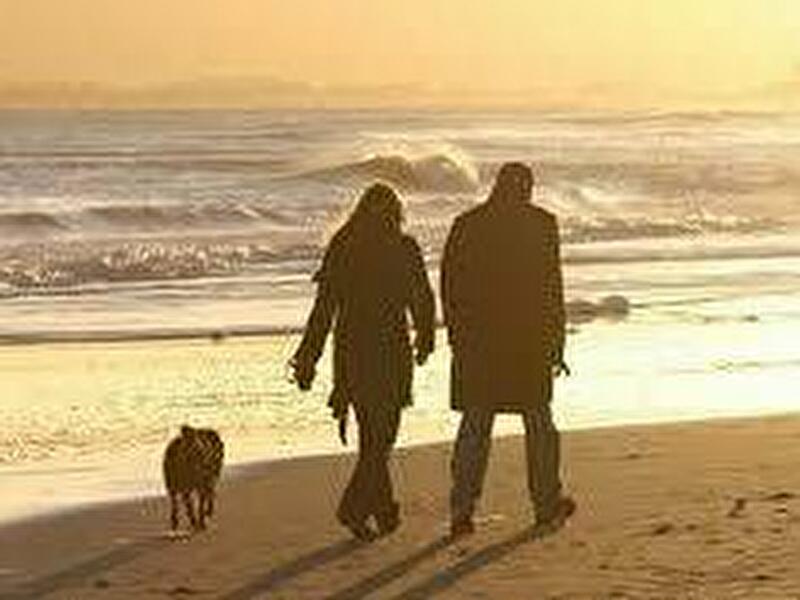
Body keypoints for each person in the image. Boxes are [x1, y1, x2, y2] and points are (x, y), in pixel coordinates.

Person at [291, 183, 435, 541]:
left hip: (353, 351)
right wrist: (425, 338)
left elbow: (324, 309)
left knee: (374, 436)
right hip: (390, 349)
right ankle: (354, 508)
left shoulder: (344, 247)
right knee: (381, 438)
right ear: (396, 214)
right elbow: (422, 298)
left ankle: (385, 511)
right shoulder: (404, 248)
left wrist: (308, 358)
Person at [441, 162, 575, 539]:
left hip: (479, 347)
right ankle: (546, 503)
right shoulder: (542, 224)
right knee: (540, 427)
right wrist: (557, 344)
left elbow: (450, 286)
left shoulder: (467, 224)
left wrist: (456, 337)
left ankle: (462, 510)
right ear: (527, 188)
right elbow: (553, 288)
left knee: (475, 428)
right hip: (529, 345)